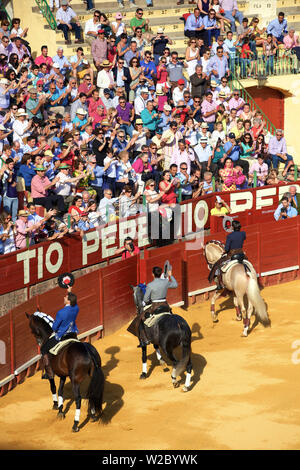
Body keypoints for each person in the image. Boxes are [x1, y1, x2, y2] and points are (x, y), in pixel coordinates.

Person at [40, 285, 79, 380]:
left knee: (44, 349)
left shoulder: (61, 312)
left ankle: (49, 372)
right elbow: (74, 302)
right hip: (73, 334)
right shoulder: (76, 308)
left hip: (62, 335)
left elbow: (54, 327)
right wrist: (69, 291)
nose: (64, 297)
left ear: (69, 301)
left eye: (66, 297)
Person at [136, 265, 178, 347]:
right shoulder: (165, 282)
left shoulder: (150, 285)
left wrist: (145, 301)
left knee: (140, 318)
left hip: (155, 307)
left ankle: (145, 340)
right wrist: (170, 275)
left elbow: (145, 299)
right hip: (165, 305)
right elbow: (175, 285)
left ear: (153, 274)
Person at [209, 219, 246, 289]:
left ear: (232, 227)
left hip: (232, 255)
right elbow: (243, 239)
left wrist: (225, 251)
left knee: (217, 265)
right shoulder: (243, 234)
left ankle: (219, 284)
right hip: (241, 254)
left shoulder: (230, 236)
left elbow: (226, 249)